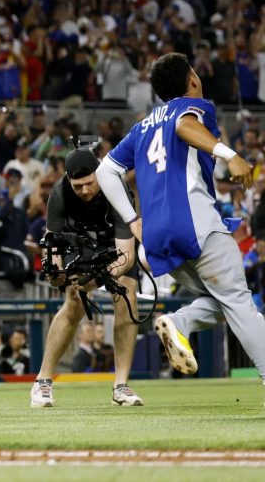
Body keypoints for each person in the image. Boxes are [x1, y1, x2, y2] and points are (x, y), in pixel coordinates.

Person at [97, 52, 265, 398]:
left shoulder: (141, 127)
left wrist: (132, 219)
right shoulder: (194, 106)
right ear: (192, 79)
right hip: (194, 223)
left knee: (223, 301)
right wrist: (229, 154)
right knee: (239, 301)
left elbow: (105, 171)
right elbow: (182, 126)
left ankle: (180, 322)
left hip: (156, 238)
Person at [30, 147, 142, 409]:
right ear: (68, 180)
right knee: (74, 301)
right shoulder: (59, 193)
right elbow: (52, 244)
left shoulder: (117, 187)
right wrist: (56, 274)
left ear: (99, 174)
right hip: (80, 244)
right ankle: (42, 381)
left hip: (115, 247)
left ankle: (121, 386)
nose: (84, 190)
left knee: (126, 295)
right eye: (77, 185)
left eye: (89, 183)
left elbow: (127, 255)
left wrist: (99, 278)